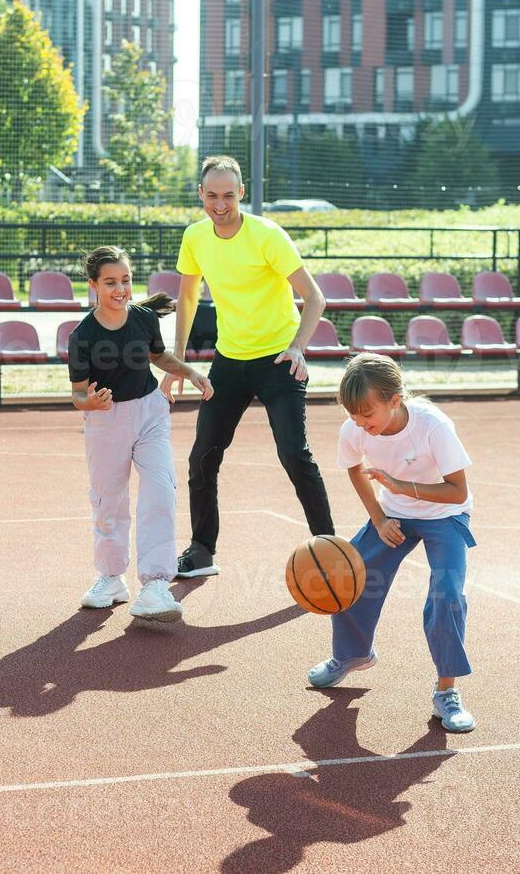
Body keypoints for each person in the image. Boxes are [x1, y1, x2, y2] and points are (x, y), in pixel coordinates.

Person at [162, 155, 335, 579]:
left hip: (278, 360)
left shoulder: (267, 235)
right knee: (203, 456)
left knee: (294, 455)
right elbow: (186, 299)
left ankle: (330, 548)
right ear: (201, 195)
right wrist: (179, 362)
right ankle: (202, 550)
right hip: (229, 361)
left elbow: (314, 298)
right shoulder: (195, 237)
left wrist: (297, 348)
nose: (219, 204)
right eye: (211, 195)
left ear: (241, 193)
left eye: (227, 195)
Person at [306, 353, 477, 734]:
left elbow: (457, 491)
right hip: (395, 514)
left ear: (394, 400)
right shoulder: (354, 429)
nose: (360, 423)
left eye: (367, 413)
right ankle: (352, 655)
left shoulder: (433, 425)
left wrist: (401, 487)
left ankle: (446, 691)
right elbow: (354, 468)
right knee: (346, 575)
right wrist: (380, 518)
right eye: (352, 414)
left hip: (444, 515)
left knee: (447, 593)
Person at [69, 246, 214, 622]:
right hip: (106, 420)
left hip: (150, 410)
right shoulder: (82, 335)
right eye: (111, 282)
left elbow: (158, 356)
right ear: (93, 286)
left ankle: (154, 586)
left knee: (161, 489)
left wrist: (191, 373)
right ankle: (111, 577)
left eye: (126, 280)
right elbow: (78, 393)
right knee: (108, 501)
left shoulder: (145, 318)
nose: (120, 289)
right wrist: (92, 403)